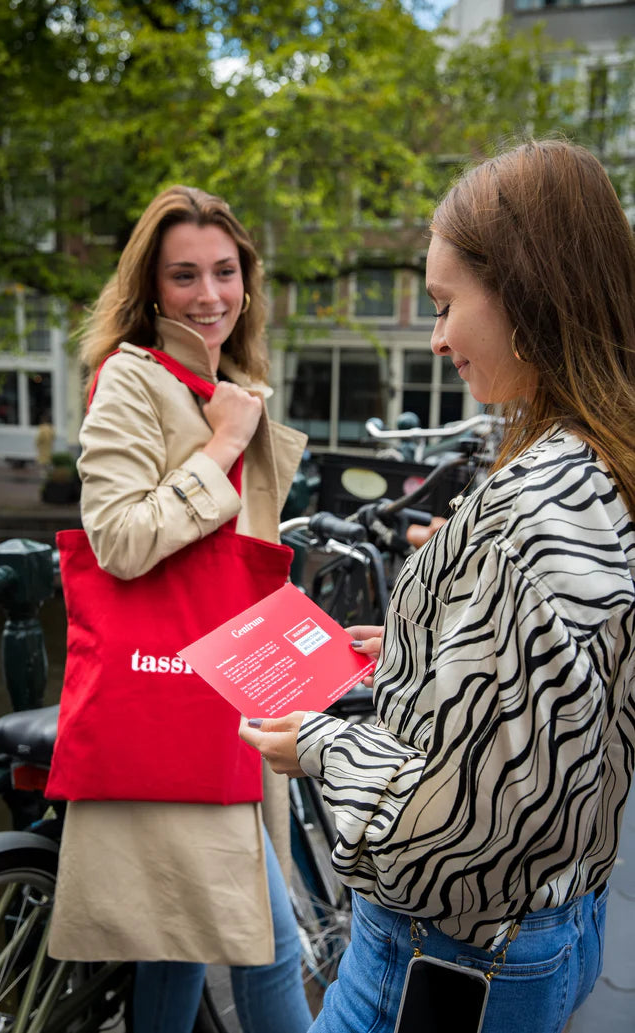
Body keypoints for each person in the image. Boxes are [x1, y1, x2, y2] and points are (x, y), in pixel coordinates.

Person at [240, 139, 635, 1033]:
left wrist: (319, 747)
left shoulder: (535, 507)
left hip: (443, 960)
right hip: (559, 919)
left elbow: (453, 826)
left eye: (448, 303)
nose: (437, 335)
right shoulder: (602, 467)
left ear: (527, 293)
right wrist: (424, 646)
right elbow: (557, 702)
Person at [48, 184, 313, 1033]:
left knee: (183, 943)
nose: (209, 296)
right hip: (172, 700)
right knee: (266, 940)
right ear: (151, 288)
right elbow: (121, 538)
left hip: (226, 691)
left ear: (248, 277)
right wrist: (226, 445)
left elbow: (230, 556)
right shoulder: (130, 377)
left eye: (225, 272)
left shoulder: (227, 377)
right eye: (184, 276)